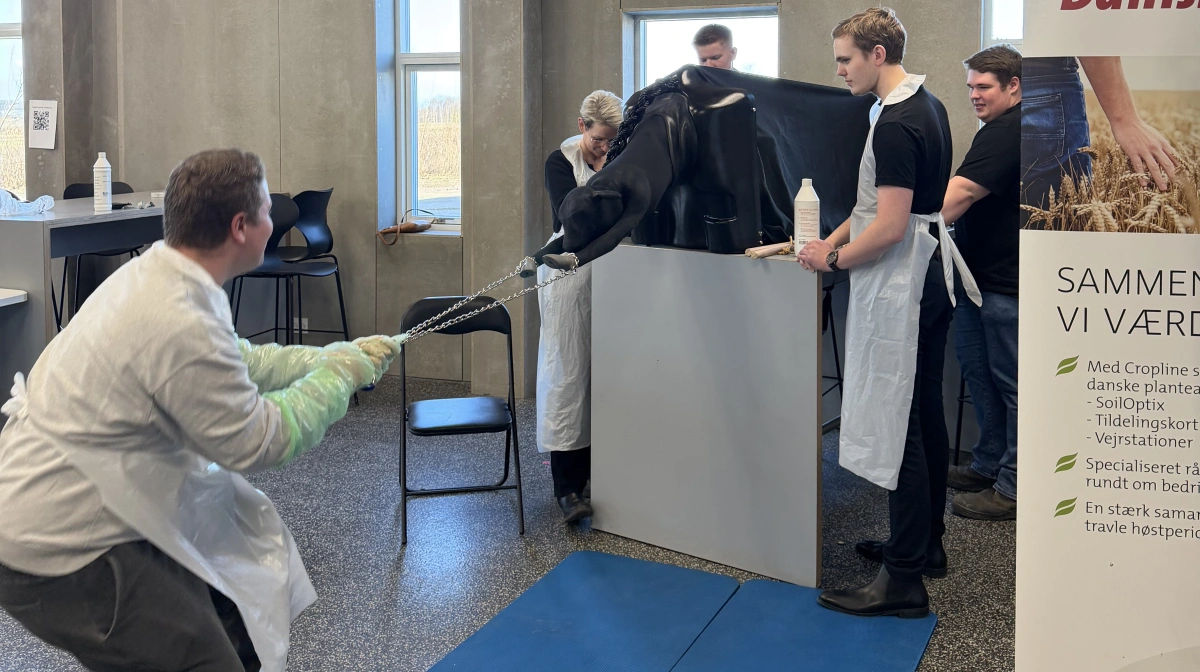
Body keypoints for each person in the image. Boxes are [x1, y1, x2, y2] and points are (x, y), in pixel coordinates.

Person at [0, 149, 400, 672]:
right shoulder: (177, 314)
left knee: (231, 620)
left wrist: (329, 355)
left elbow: (240, 359)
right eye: (266, 211)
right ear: (241, 226)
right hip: (60, 545)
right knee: (208, 661)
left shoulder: (165, 276)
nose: (273, 224)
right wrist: (340, 376)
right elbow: (261, 439)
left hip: (72, 509)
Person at [797, 7, 979, 618]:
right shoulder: (919, 104)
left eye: (845, 59)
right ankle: (923, 546)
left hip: (906, 278)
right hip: (927, 272)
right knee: (924, 412)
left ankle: (902, 581)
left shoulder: (899, 120)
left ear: (878, 54)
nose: (839, 70)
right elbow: (871, 203)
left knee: (900, 425)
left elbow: (891, 228)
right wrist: (832, 237)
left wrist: (833, 260)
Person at [538, 90, 623, 524]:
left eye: (611, 140)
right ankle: (568, 489)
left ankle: (604, 476)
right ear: (581, 126)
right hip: (568, 275)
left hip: (615, 274)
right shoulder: (560, 163)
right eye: (597, 140)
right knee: (569, 375)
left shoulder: (622, 157)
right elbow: (570, 217)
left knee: (608, 376)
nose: (604, 148)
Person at [1022, 56, 1178, 214]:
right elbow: (1092, 34)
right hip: (1047, 78)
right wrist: (1125, 119)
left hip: (1001, 75)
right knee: (1063, 219)